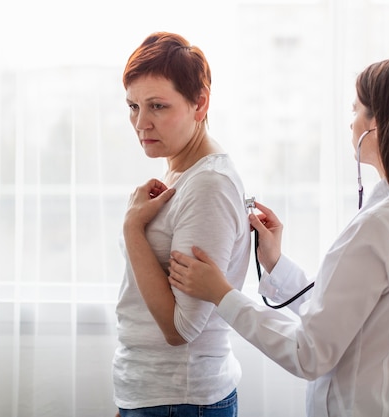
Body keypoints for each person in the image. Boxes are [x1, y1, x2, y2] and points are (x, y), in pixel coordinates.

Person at [166, 56, 389, 416]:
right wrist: (275, 264)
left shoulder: (380, 227)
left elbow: (308, 353)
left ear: (381, 125)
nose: (351, 122)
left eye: (356, 110)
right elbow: (343, 319)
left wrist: (222, 295)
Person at [112, 32, 251, 417]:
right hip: (154, 393)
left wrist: (132, 229)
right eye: (133, 106)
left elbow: (181, 329)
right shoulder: (182, 175)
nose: (141, 122)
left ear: (199, 103)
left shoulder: (209, 185)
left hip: (181, 399)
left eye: (157, 106)